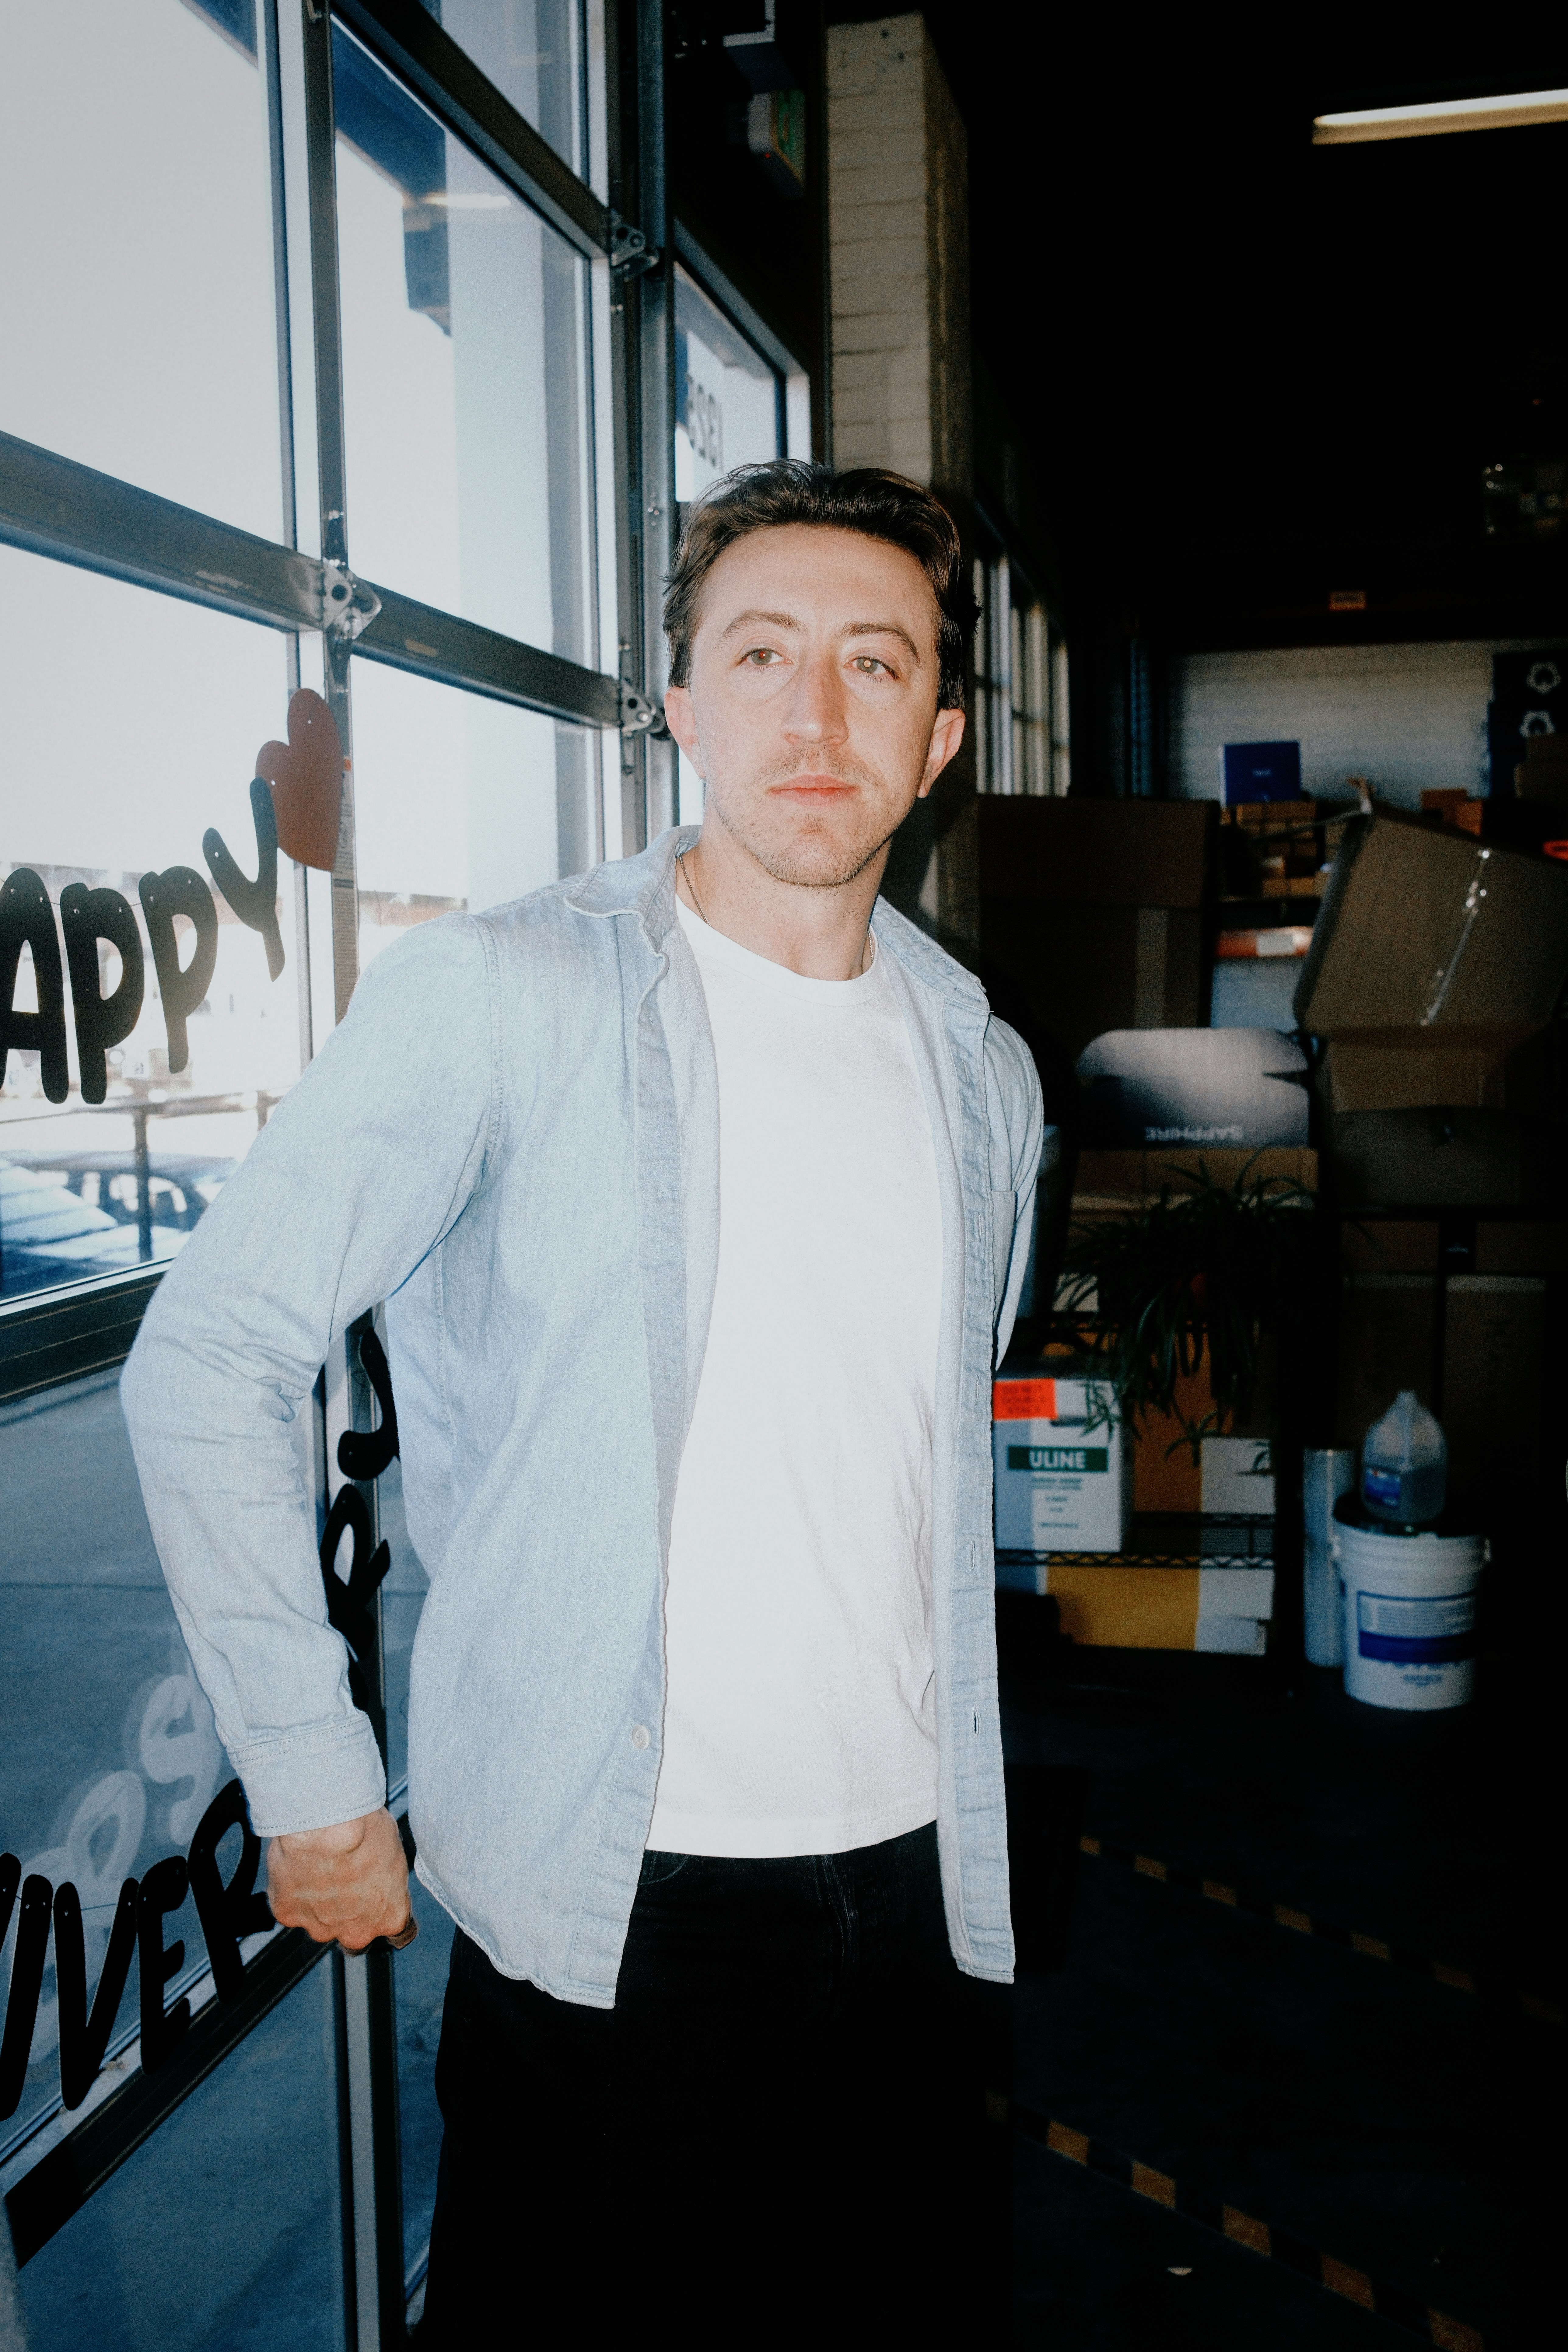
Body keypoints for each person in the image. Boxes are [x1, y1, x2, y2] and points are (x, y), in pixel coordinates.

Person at [122, 461, 1042, 2331]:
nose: (816, 712)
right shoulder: (506, 998)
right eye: (762, 654)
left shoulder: (984, 1066)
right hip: (615, 1915)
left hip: (912, 1894)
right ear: (683, 708)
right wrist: (313, 1781)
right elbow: (213, 1355)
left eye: (877, 666)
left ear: (940, 737)